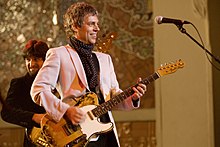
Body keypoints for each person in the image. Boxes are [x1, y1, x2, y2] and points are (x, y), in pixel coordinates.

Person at [30, 2, 147, 147]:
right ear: (75, 26)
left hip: (105, 132)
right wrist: (66, 111)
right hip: (77, 134)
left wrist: (132, 97)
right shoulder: (58, 54)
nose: (97, 28)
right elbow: (38, 90)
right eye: (91, 24)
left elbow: (113, 96)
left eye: (97, 24)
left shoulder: (105, 59)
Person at [1, 39, 49, 147]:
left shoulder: (58, 82)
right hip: (34, 142)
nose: (31, 64)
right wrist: (34, 117)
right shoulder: (19, 84)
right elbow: (6, 113)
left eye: (36, 59)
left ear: (46, 60)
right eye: (28, 59)